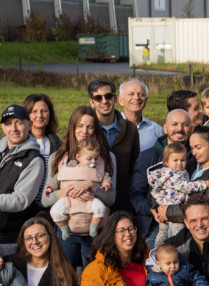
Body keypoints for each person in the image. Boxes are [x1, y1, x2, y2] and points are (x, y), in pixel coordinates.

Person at [44, 106, 117, 267]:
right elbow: (45, 200)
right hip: (66, 228)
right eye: (80, 126)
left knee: (93, 274)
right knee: (66, 273)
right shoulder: (57, 158)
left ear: (95, 129)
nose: (84, 131)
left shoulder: (107, 158)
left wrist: (91, 186)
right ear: (72, 127)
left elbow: (111, 198)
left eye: (90, 127)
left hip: (95, 229)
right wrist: (66, 192)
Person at [0, 103, 47, 253]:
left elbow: (20, 200)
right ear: (2, 127)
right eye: (9, 124)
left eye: (19, 123)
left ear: (29, 125)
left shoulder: (33, 160)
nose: (14, 128)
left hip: (8, 238)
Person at [132, 107, 195, 239]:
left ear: (191, 128)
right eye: (174, 124)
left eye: (185, 124)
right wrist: (153, 208)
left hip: (188, 221)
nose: (180, 129)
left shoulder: (196, 156)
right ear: (165, 129)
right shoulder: (147, 157)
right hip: (154, 222)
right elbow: (135, 194)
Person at [48, 136, 112, 241]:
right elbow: (58, 177)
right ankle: (64, 229)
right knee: (55, 211)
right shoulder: (70, 167)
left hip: (89, 199)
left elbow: (105, 176)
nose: (93, 161)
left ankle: (93, 227)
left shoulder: (97, 169)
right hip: (69, 199)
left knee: (101, 208)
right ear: (78, 157)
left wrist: (106, 183)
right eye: (89, 159)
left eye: (96, 158)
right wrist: (50, 187)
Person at [148, 141, 209, 247]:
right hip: (173, 208)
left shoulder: (165, 173)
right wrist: (203, 184)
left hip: (164, 206)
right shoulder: (173, 175)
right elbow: (186, 187)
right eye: (175, 160)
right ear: (166, 162)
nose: (179, 163)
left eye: (182, 160)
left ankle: (158, 251)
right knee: (178, 234)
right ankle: (173, 252)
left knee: (162, 233)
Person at [88, 78, 140, 187]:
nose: (104, 101)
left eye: (108, 96)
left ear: (115, 98)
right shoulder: (85, 130)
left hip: (123, 194)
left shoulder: (131, 129)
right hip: (92, 193)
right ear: (92, 102)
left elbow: (135, 167)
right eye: (98, 98)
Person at [120, 79, 163, 150]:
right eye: (131, 94)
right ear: (121, 100)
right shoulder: (109, 128)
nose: (137, 98)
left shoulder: (157, 131)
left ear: (146, 100)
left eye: (141, 94)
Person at [23, 93, 62, 166]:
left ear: (50, 114)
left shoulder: (57, 144)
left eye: (44, 111)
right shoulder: (20, 143)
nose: (40, 115)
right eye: (34, 111)